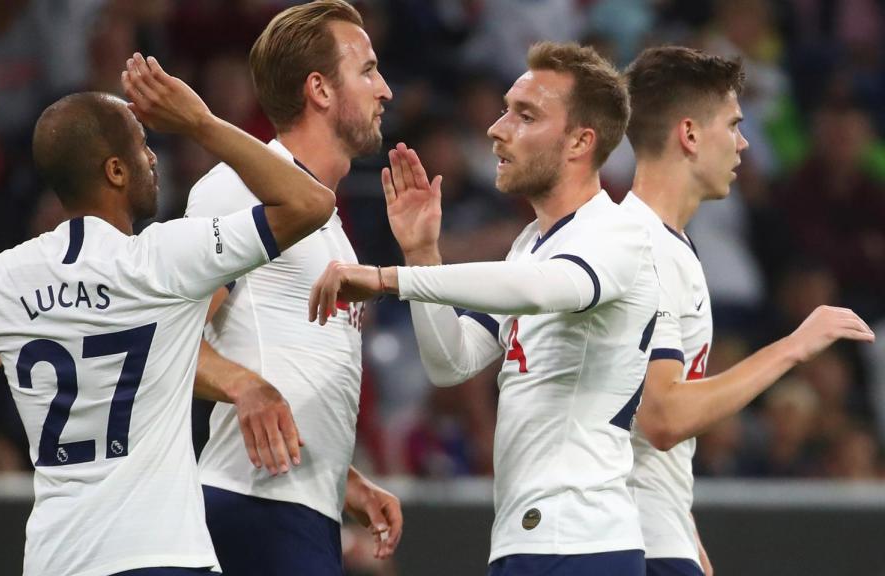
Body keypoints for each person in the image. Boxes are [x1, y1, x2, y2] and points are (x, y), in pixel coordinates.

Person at [0, 53, 335, 576]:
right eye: (142, 145)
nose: (153, 159)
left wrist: (5, 348)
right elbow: (311, 203)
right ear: (115, 170)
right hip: (163, 554)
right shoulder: (167, 258)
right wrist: (199, 121)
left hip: (58, 560)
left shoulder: (5, 279)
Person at [310, 42, 657, 575]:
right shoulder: (529, 245)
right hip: (527, 541)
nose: (496, 129)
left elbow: (543, 290)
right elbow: (451, 364)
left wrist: (388, 279)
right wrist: (423, 256)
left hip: (586, 543)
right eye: (504, 110)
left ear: (580, 141)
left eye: (525, 115)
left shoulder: (618, 234)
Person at [620, 46, 876, 576]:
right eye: (733, 125)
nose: (743, 142)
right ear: (690, 134)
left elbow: (637, 431)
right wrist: (792, 348)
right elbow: (663, 418)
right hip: (633, 544)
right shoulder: (640, 249)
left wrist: (683, 528)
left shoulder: (659, 243)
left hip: (655, 532)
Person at [185, 2, 402, 574]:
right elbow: (166, 339)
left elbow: (285, 354)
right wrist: (243, 386)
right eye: (368, 71)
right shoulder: (239, 187)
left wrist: (340, 476)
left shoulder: (329, 223)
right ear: (319, 90)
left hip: (303, 508)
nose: (386, 90)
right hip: (252, 505)